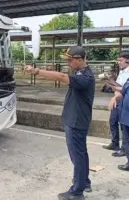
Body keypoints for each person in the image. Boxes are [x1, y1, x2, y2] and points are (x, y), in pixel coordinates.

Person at [24, 46, 95, 200]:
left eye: (70, 60)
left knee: (78, 156)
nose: (69, 63)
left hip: (76, 122)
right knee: (80, 154)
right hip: (75, 120)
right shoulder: (81, 73)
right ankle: (84, 182)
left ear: (80, 59)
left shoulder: (85, 77)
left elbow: (62, 77)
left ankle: (77, 192)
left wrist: (36, 71)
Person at [103, 51, 129, 157]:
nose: (118, 62)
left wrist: (115, 97)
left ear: (128, 60)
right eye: (118, 60)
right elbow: (119, 85)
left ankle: (124, 148)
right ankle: (115, 143)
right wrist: (109, 81)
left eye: (121, 60)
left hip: (124, 101)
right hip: (117, 99)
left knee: (123, 125)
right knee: (113, 121)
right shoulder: (122, 71)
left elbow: (125, 89)